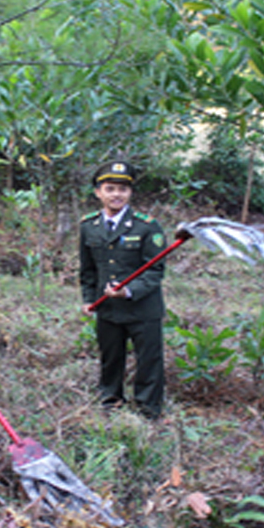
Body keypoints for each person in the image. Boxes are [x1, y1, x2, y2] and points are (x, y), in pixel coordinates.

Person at [79, 161, 168, 420]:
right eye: (110, 189)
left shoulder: (147, 226)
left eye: (123, 189)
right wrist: (88, 299)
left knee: (149, 361)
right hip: (107, 308)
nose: (116, 194)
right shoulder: (88, 225)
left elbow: (155, 271)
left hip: (142, 308)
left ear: (130, 193)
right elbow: (88, 270)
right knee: (110, 358)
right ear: (98, 192)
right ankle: (110, 402)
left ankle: (148, 410)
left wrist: (129, 290)